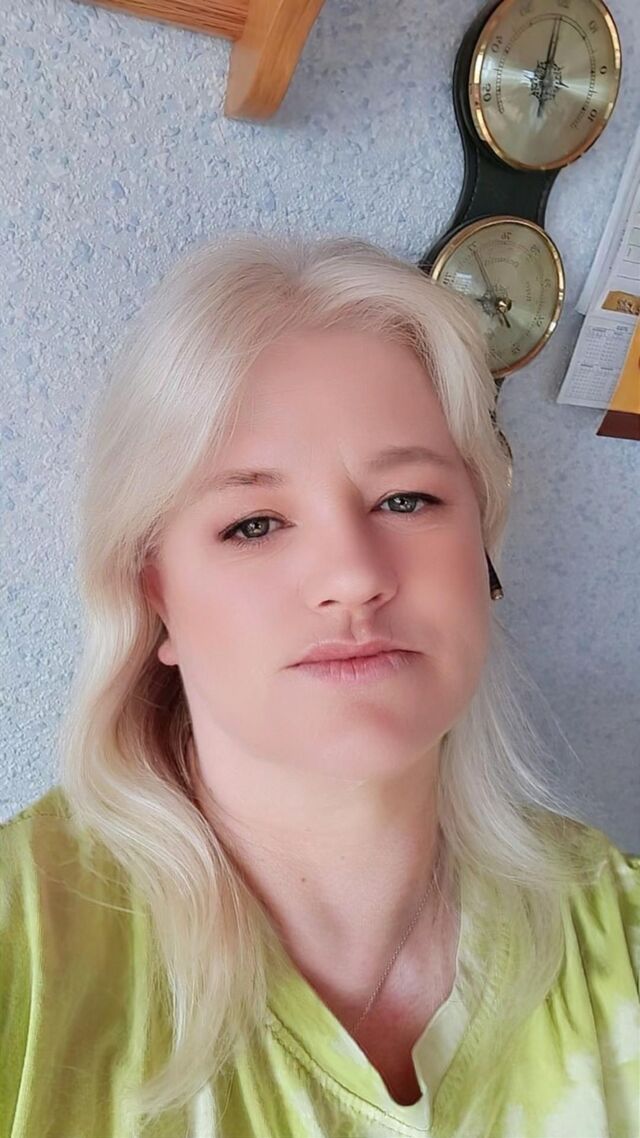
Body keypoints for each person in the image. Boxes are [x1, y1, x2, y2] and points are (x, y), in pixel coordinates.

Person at [1, 233, 638, 1138]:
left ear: (481, 551)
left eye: (406, 500)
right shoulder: (21, 952)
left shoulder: (619, 936)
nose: (354, 577)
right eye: (255, 523)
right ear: (155, 596)